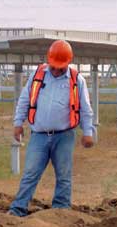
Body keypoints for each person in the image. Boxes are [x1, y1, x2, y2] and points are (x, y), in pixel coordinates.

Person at [9, 39, 94, 217]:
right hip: (38, 135)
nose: (55, 70)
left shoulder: (77, 80)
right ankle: (18, 210)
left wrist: (88, 132)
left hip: (64, 135)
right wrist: (18, 123)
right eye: (53, 66)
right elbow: (24, 100)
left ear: (68, 63)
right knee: (30, 173)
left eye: (60, 67)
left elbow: (85, 109)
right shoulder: (37, 76)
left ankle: (61, 211)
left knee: (64, 175)